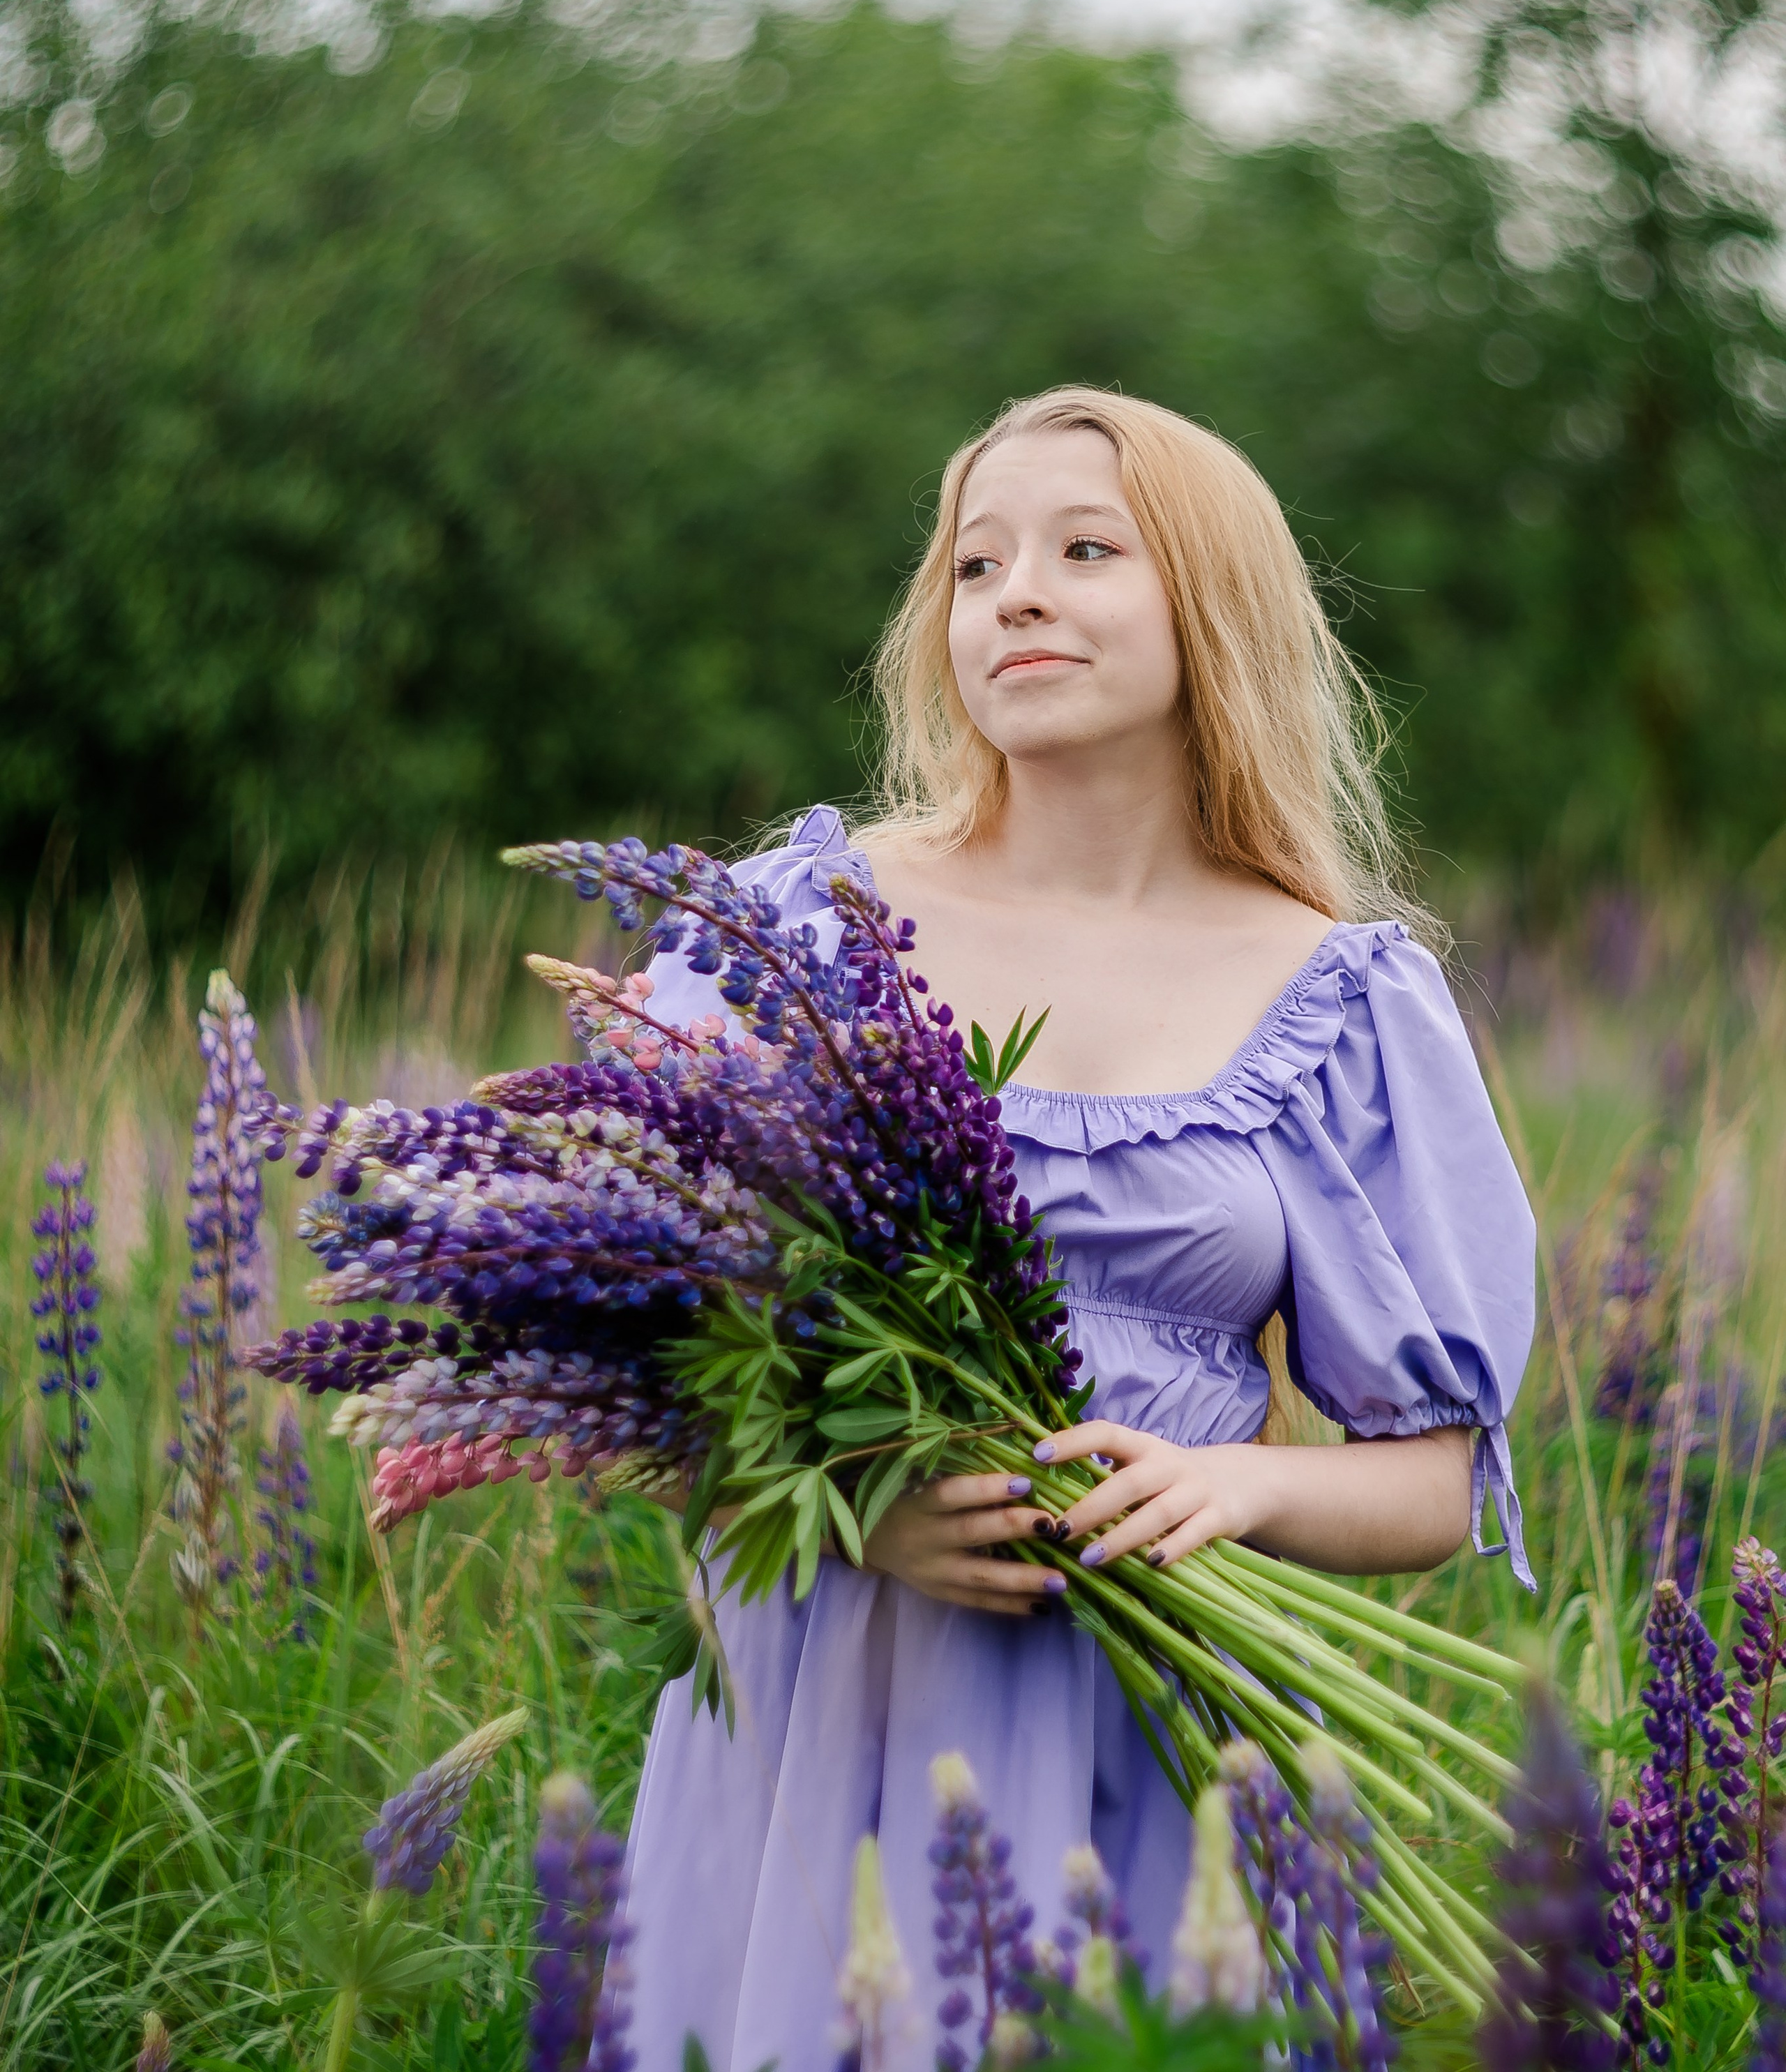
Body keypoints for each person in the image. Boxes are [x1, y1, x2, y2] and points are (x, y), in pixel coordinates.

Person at [621, 386, 1536, 2072]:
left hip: (1157, 1704)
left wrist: (1239, 1480)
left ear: (1214, 607)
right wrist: (851, 1514)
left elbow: (1429, 1476)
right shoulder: (791, 938)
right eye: (975, 567)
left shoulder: (1339, 998)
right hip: (834, 1688)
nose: (1015, 595)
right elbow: (628, 1354)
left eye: (1082, 550)